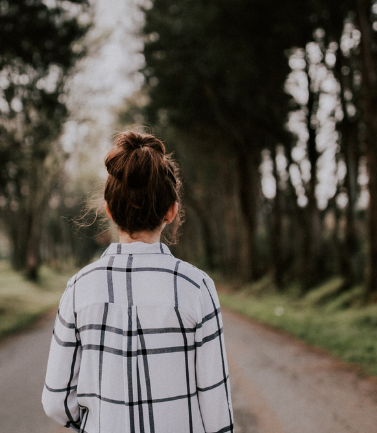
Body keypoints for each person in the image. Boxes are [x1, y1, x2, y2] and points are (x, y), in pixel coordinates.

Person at [42, 131, 234, 433]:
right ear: (171, 211)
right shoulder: (197, 287)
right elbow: (216, 408)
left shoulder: (78, 289)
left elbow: (56, 401)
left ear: (109, 210)